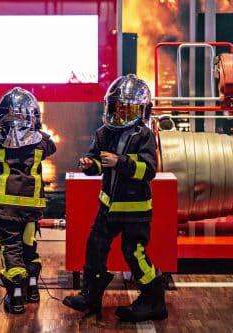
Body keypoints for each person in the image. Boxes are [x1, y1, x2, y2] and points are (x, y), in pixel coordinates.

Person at [62, 74, 168, 322]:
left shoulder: (144, 135)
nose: (119, 114)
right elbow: (97, 163)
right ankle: (91, 295)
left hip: (135, 210)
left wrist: (121, 162)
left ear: (140, 110)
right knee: (95, 248)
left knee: (135, 253)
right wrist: (90, 164)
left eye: (126, 109)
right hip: (108, 207)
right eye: (116, 107)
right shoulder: (103, 133)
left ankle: (154, 299)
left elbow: (148, 170)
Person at [0, 87, 57, 314]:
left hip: (5, 208)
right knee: (28, 245)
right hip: (31, 207)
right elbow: (51, 145)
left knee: (10, 247)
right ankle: (32, 287)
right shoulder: (41, 143)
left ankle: (16, 297)